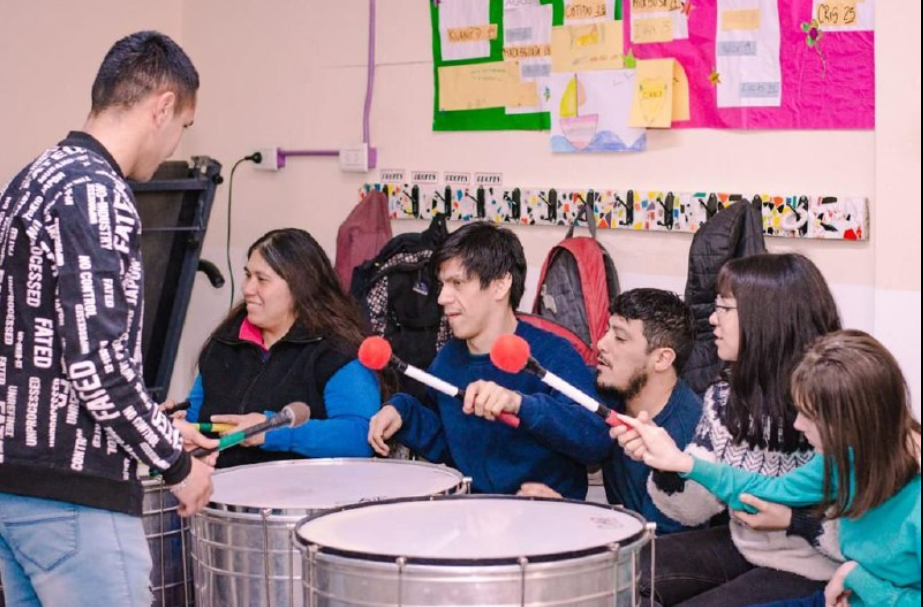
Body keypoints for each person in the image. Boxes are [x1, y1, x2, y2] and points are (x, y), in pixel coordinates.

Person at [0, 31, 216, 607]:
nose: (174, 143)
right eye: (182, 127)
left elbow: (49, 358)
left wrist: (162, 428)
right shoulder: (98, 193)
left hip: (13, 488)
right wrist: (175, 465)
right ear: (162, 107)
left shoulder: (31, 181)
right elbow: (98, 366)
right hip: (74, 500)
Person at [613, 253, 845, 607]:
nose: (711, 319)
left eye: (723, 308)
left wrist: (792, 521)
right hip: (743, 544)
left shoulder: (838, 400)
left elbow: (872, 537)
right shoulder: (725, 395)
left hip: (817, 566)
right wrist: (665, 462)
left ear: (765, 316)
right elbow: (692, 510)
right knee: (618, 574)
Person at [628, 330, 921, 607]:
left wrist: (856, 578)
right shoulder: (844, 456)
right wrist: (683, 464)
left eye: (809, 415)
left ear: (849, 423)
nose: (797, 425)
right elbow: (769, 491)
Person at [367, 222, 612, 499]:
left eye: (457, 283)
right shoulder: (447, 360)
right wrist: (403, 413)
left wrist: (519, 404)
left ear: (500, 284)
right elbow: (451, 445)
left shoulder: (552, 355)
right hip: (476, 518)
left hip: (549, 523)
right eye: (442, 285)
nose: (442, 298)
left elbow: (596, 441)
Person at [183, 228, 380, 468]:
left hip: (308, 498)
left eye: (262, 279)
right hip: (220, 497)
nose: (247, 289)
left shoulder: (337, 351)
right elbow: (196, 414)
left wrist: (271, 431)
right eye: (248, 276)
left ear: (299, 287)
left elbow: (361, 436)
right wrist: (177, 426)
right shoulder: (225, 342)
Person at [519, 288, 703, 535]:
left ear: (662, 359)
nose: (600, 344)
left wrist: (569, 516)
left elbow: (654, 550)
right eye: (607, 330)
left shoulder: (687, 435)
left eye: (620, 337)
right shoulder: (610, 390)